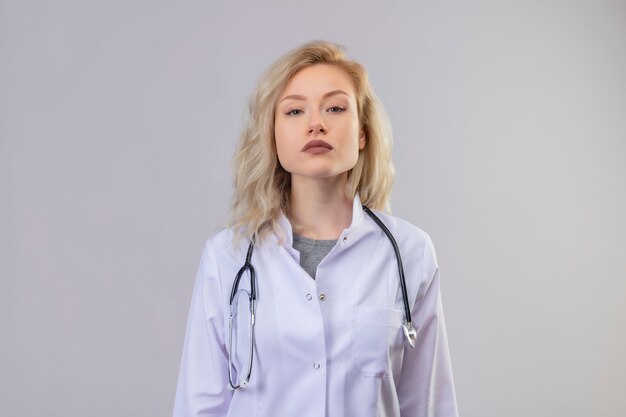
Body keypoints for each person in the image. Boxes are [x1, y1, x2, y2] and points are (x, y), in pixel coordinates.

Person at [172, 40, 459, 417]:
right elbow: (199, 405)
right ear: (272, 134)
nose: (316, 123)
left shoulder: (409, 252)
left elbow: (429, 405)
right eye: (294, 111)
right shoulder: (227, 255)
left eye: (336, 108)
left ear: (362, 134)